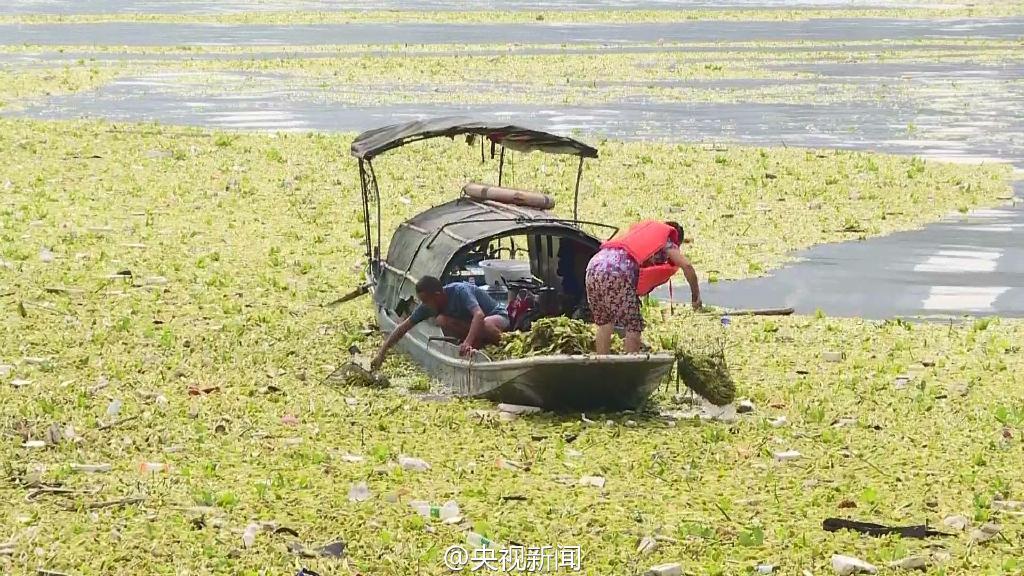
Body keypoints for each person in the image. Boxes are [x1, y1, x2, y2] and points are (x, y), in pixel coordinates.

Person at [585, 220, 701, 355]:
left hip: (593, 266)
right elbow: (687, 266)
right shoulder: (666, 240)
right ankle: (630, 369)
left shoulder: (640, 234)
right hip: (617, 272)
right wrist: (695, 296)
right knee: (633, 326)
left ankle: (601, 367)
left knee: (604, 323)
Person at [371, 276, 510, 370]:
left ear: (437, 295)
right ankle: (478, 344)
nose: (424, 305)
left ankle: (501, 342)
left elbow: (479, 315)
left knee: (483, 323)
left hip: (497, 318)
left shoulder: (460, 291)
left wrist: (467, 342)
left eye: (426, 300)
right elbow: (403, 328)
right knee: (442, 320)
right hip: (472, 328)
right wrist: (381, 353)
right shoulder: (428, 305)